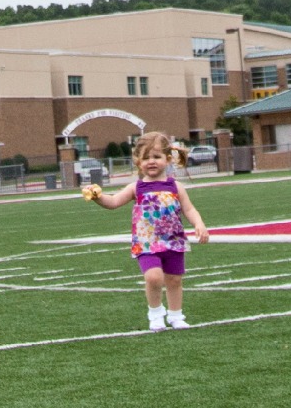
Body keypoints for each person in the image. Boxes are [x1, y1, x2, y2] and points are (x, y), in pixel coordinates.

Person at [84, 129, 208, 326]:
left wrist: (199, 224)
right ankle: (156, 314)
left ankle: (176, 316)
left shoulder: (175, 186)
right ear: (138, 162)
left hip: (173, 240)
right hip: (146, 242)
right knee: (153, 277)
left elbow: (189, 209)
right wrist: (98, 197)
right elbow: (114, 202)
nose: (151, 161)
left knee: (174, 280)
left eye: (157, 157)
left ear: (167, 159)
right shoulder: (137, 187)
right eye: (146, 158)